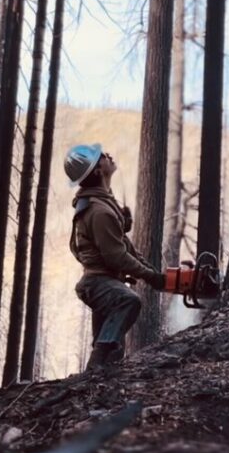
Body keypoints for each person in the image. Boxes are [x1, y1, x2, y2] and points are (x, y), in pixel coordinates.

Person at [64, 143, 164, 370]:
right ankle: (96, 364)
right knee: (129, 301)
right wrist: (151, 276)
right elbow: (117, 256)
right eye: (101, 156)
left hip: (105, 280)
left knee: (113, 353)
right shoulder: (100, 211)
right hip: (97, 282)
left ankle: (95, 388)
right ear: (98, 171)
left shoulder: (103, 204)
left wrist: (154, 274)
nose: (108, 155)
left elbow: (125, 248)